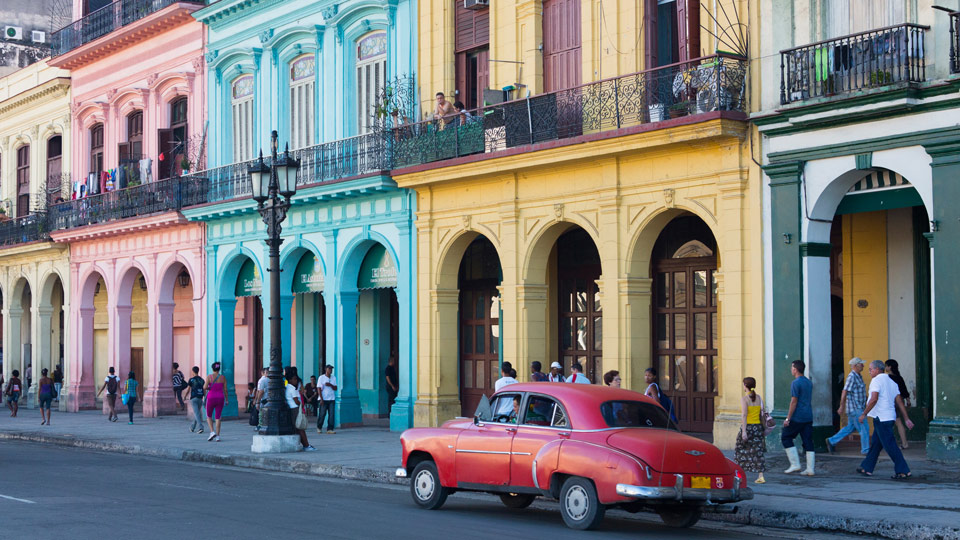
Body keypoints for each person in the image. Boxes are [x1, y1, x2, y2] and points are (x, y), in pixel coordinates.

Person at [857, 360, 914, 479]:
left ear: (877, 369)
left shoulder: (876, 380)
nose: (869, 371)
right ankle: (866, 467)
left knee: (890, 445)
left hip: (881, 418)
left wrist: (864, 414)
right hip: (889, 417)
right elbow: (899, 401)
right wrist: (906, 419)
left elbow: (873, 399)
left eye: (871, 369)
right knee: (876, 444)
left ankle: (903, 470)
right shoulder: (891, 382)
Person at [826, 357, 870, 455]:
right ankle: (866, 450)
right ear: (855, 366)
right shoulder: (852, 376)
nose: (863, 365)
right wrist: (841, 406)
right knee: (864, 428)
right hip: (855, 408)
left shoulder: (859, 376)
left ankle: (832, 440)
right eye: (860, 364)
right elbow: (844, 391)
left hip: (858, 407)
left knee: (850, 427)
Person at [782, 360, 815, 476]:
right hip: (808, 415)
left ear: (795, 369)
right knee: (808, 441)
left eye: (792, 368)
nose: (791, 370)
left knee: (786, 437)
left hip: (797, 416)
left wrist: (788, 418)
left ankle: (795, 464)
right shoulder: (808, 382)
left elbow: (794, 402)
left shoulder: (795, 383)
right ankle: (810, 469)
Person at [735, 377, 766, 484]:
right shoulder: (759, 398)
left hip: (748, 427)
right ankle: (761, 476)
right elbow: (762, 413)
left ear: (745, 386)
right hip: (757, 427)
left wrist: (744, 431)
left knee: (740, 449)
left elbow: (744, 415)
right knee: (758, 451)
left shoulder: (744, 399)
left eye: (743, 384)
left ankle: (739, 473)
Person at [285, 367, 316, 451]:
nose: (296, 381)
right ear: (290, 380)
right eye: (294, 379)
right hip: (295, 409)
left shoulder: (287, 387)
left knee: (298, 428)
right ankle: (306, 445)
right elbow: (296, 401)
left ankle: (304, 444)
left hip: (292, 409)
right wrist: (301, 404)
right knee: (300, 428)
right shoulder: (292, 388)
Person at [885, 359, 911, 450]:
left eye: (886, 366)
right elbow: (904, 390)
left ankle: (904, 443)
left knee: (898, 422)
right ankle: (904, 443)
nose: (885, 367)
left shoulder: (888, 378)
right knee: (898, 422)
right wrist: (908, 401)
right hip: (901, 401)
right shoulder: (899, 377)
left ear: (890, 367)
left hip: (892, 402)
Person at [204, 362, 228, 441]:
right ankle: (217, 436)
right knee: (218, 417)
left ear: (212, 368)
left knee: (209, 415)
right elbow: (225, 389)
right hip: (220, 398)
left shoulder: (209, 377)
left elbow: (204, 387)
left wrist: (209, 388)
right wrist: (227, 399)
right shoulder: (223, 377)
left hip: (211, 398)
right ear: (219, 369)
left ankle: (212, 432)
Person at [317, 364, 337, 434]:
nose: (330, 370)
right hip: (324, 399)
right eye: (329, 369)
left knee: (331, 414)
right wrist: (321, 399)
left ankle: (330, 429)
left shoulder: (333, 378)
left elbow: (335, 388)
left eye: (331, 369)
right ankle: (319, 427)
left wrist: (330, 385)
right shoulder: (321, 378)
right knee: (322, 414)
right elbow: (319, 388)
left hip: (331, 398)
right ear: (326, 369)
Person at [186, 366, 205, 433]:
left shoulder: (191, 380)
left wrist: (185, 396)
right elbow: (204, 389)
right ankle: (192, 427)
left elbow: (188, 389)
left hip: (194, 398)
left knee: (197, 413)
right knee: (197, 413)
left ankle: (200, 427)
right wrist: (205, 397)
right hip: (200, 398)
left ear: (193, 371)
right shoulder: (202, 380)